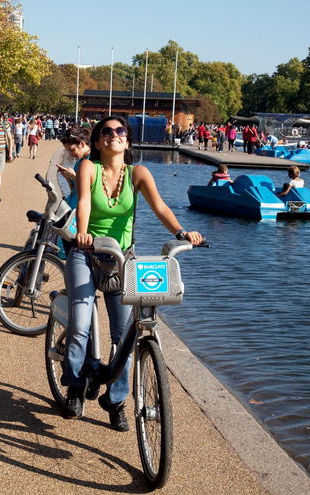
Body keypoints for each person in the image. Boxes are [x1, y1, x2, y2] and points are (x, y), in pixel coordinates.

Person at [62, 116, 202, 431]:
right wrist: (82, 233)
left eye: (120, 131)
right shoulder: (89, 168)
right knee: (81, 323)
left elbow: (161, 207)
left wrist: (182, 233)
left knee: (125, 335)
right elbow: (83, 203)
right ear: (98, 141)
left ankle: (115, 399)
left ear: (127, 140)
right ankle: (75, 383)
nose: (113, 135)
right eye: (106, 131)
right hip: (86, 254)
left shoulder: (139, 173)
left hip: (123, 258)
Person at [56, 125, 91, 209]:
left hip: (81, 210)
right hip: (72, 207)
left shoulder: (93, 161)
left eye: (72, 149)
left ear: (82, 144)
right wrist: (68, 178)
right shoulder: (80, 161)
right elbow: (75, 190)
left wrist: (73, 176)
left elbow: (94, 189)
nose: (70, 154)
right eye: (68, 151)